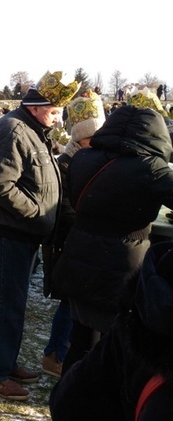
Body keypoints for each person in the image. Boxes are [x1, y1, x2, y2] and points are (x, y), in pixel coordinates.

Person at [50, 96, 173, 375]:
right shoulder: (152, 169)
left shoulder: (82, 158)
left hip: (79, 257)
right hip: (122, 267)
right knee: (114, 347)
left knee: (80, 340)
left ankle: (70, 397)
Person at [0, 71, 79, 401]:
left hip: (22, 232)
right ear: (35, 107)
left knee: (15, 304)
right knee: (8, 304)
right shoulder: (13, 130)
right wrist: (37, 213)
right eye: (53, 110)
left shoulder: (33, 129)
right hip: (11, 232)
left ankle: (3, 363)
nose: (58, 116)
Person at [49, 241, 173, 420]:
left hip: (104, 263)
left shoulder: (154, 294)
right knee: (82, 334)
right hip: (103, 262)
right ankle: (53, 355)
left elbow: (68, 401)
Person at [40, 91, 105, 379]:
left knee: (78, 304)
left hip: (87, 242)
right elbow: (63, 207)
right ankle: (56, 355)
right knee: (70, 303)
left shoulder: (95, 160)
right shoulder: (65, 164)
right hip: (71, 242)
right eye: (93, 137)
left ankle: (62, 353)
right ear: (80, 137)